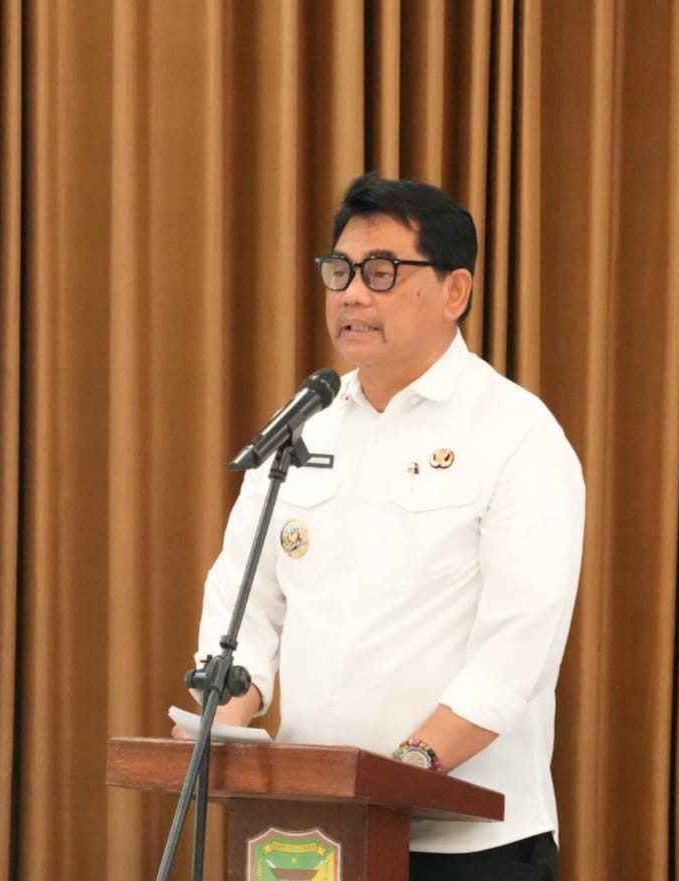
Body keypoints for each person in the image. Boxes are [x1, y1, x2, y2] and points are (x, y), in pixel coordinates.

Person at [191, 172, 585, 881]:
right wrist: (224, 719)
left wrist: (403, 773)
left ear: (454, 291)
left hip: (466, 845)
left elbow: (517, 646)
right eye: (339, 270)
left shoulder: (516, 432)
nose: (351, 293)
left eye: (380, 272)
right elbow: (244, 604)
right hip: (308, 832)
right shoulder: (302, 428)